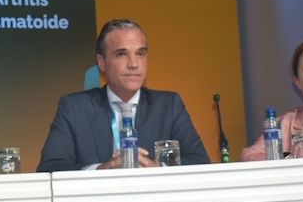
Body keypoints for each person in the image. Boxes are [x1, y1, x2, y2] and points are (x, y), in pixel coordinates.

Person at [37, 19, 209, 171]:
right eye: (121, 54)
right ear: (102, 63)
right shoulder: (75, 108)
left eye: (140, 54)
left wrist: (158, 169)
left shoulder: (169, 105)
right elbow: (50, 167)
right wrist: (101, 170)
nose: (134, 64)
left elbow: (200, 162)